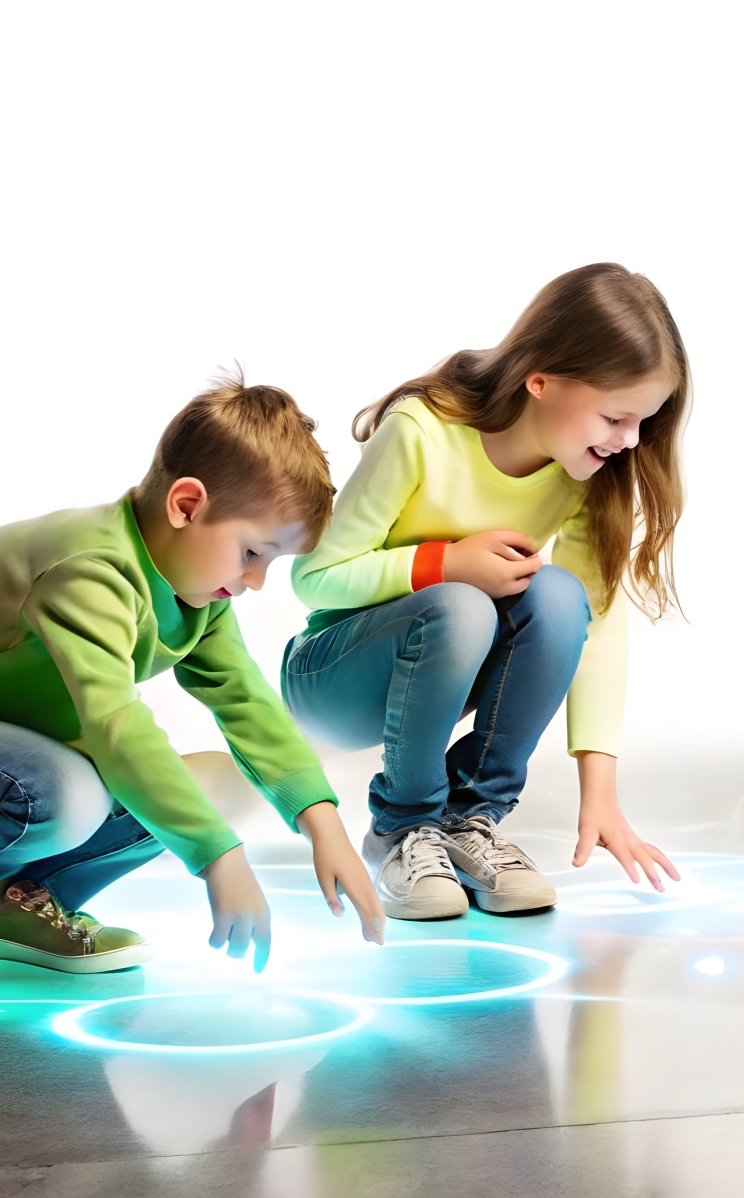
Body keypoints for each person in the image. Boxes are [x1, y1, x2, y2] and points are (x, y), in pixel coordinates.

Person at [0, 377, 385, 992]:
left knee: (222, 785)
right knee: (67, 793)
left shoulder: (198, 596)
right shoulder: (90, 569)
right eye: (252, 552)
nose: (256, 581)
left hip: (9, 754)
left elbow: (246, 702)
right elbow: (116, 726)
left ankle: (9, 901)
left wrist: (321, 819)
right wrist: (217, 858)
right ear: (186, 505)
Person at [282, 263, 687, 920]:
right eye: (617, 416)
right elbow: (314, 576)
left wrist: (601, 791)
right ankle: (400, 827)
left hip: (439, 671)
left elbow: (597, 622)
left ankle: (469, 820)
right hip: (333, 674)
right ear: (541, 380)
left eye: (644, 420)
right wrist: (446, 562)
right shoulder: (421, 430)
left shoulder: (581, 473)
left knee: (558, 597)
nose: (631, 440)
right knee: (464, 602)